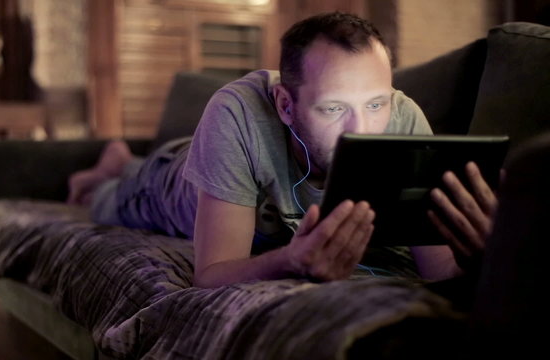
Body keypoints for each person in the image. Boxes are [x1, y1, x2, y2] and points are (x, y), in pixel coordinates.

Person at [67, 12, 495, 291]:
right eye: (333, 108)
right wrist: (291, 260)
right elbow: (211, 273)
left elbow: (441, 271)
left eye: (376, 104)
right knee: (107, 197)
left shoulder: (404, 121)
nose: (362, 130)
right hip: (167, 185)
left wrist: (485, 256)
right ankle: (114, 167)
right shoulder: (236, 111)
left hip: (213, 163)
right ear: (285, 105)